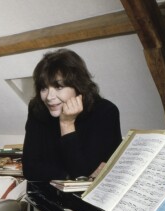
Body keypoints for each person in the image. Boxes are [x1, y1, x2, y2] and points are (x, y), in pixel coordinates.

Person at [22, 48, 122, 181]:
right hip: (45, 196)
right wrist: (68, 176)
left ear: (78, 86)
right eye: (44, 88)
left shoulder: (105, 112)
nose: (49, 97)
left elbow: (82, 173)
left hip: (86, 199)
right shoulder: (37, 109)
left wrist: (67, 124)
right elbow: (30, 169)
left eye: (59, 87)